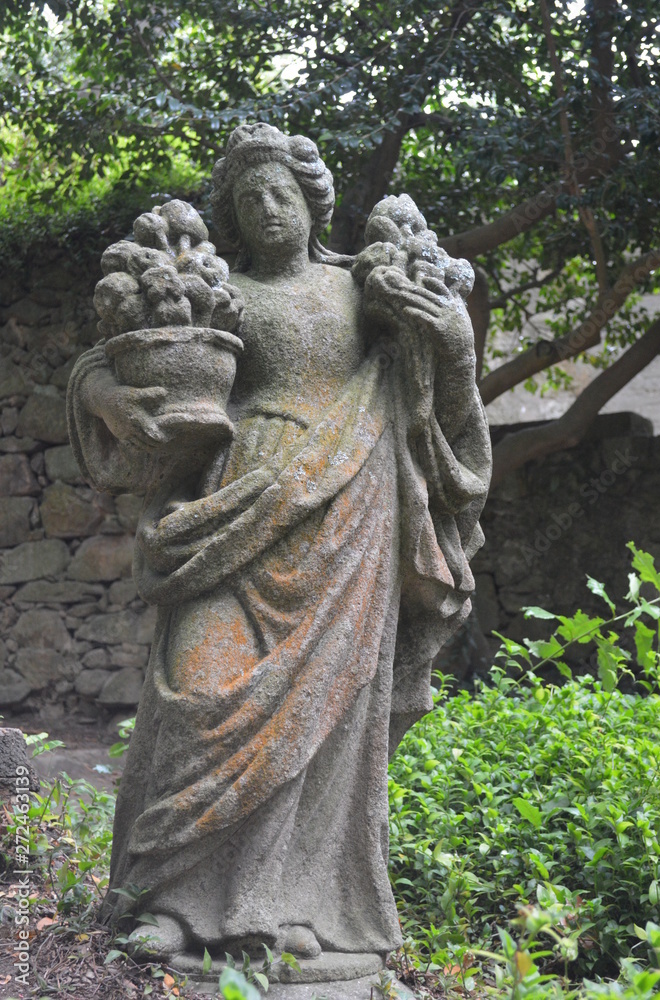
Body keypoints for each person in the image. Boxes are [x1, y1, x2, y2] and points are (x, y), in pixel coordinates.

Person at [67, 123, 491, 978]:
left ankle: (293, 910)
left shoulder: (361, 290)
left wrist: (451, 339)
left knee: (325, 723)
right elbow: (102, 367)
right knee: (197, 687)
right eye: (249, 197)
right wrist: (115, 403)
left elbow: (434, 403)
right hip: (234, 506)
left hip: (347, 512)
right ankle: (168, 904)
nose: (265, 208)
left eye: (280, 193)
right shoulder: (215, 295)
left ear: (310, 201)